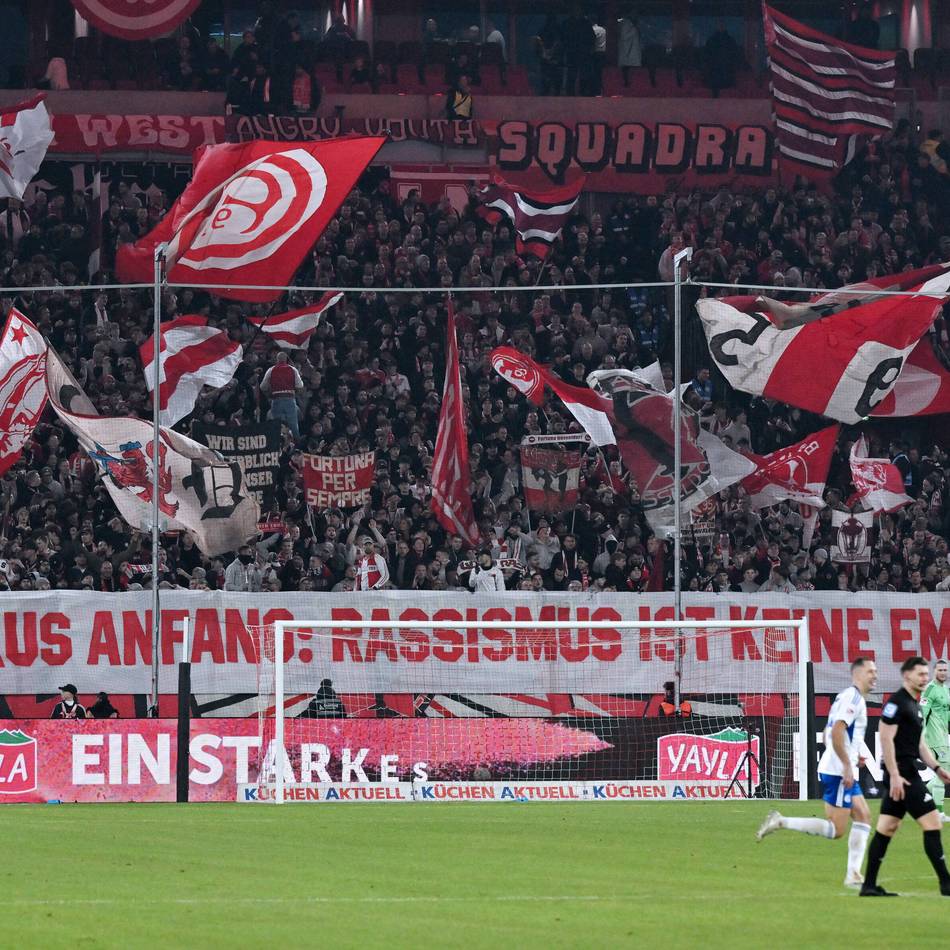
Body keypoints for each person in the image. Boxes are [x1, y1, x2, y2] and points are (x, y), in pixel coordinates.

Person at [756, 658, 877, 889]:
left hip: (838, 767)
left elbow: (828, 731)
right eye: (870, 671)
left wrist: (851, 756)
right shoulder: (852, 698)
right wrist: (847, 764)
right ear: (858, 674)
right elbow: (837, 730)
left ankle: (853, 875)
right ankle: (781, 821)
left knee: (863, 816)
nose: (875, 676)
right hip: (839, 772)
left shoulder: (844, 697)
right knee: (836, 830)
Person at [861, 656, 950, 896]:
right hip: (903, 775)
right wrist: (895, 775)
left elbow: (920, 744)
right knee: (932, 822)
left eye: (925, 674)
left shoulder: (916, 705)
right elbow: (885, 738)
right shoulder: (896, 703)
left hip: (906, 773)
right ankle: (946, 883)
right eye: (920, 674)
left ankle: (869, 885)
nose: (924, 678)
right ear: (906, 676)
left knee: (887, 827)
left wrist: (937, 769)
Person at [921, 659, 950, 821]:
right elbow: (923, 713)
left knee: (946, 771)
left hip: (944, 736)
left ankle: (919, 795)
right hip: (933, 736)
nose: (943, 673)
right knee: (943, 771)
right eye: (940, 670)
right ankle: (938, 813)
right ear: (934, 671)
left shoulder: (946, 690)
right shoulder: (930, 689)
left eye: (945, 670)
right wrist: (921, 735)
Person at [261, 351, 304, 439]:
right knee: (293, 425)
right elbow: (300, 386)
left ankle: (277, 445)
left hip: (276, 399)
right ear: (286, 359)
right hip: (290, 399)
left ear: (277, 360)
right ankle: (296, 445)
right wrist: (294, 394)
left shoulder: (271, 370)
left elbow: (263, 387)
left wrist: (269, 395)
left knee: (277, 425)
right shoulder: (293, 369)